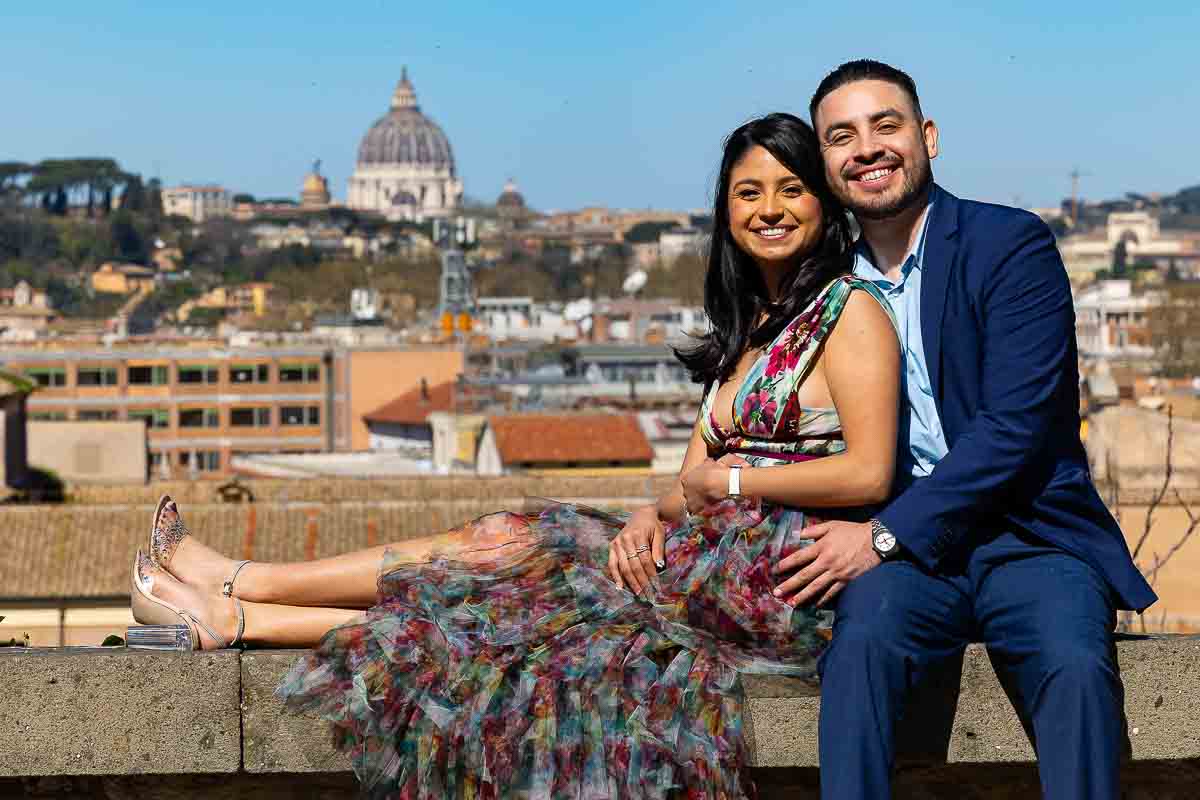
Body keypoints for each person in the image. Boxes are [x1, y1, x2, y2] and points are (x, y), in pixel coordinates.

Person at [129, 112, 902, 798]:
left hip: (779, 582)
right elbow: (688, 483)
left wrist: (726, 479)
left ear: (824, 205)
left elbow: (867, 472)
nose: (769, 208)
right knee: (497, 564)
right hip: (706, 555)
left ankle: (241, 592)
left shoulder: (850, 313)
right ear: (725, 211)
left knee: (511, 570)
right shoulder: (752, 325)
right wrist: (647, 513)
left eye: (791, 189)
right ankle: (231, 613)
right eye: (748, 192)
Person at [772, 59, 1157, 800]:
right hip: (910, 558)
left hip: (1028, 535)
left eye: (886, 125)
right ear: (824, 163)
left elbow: (1014, 426)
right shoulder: (822, 284)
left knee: (1076, 666)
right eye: (841, 137)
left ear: (928, 136)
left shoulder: (1008, 244)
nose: (868, 148)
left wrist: (879, 536)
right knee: (857, 653)